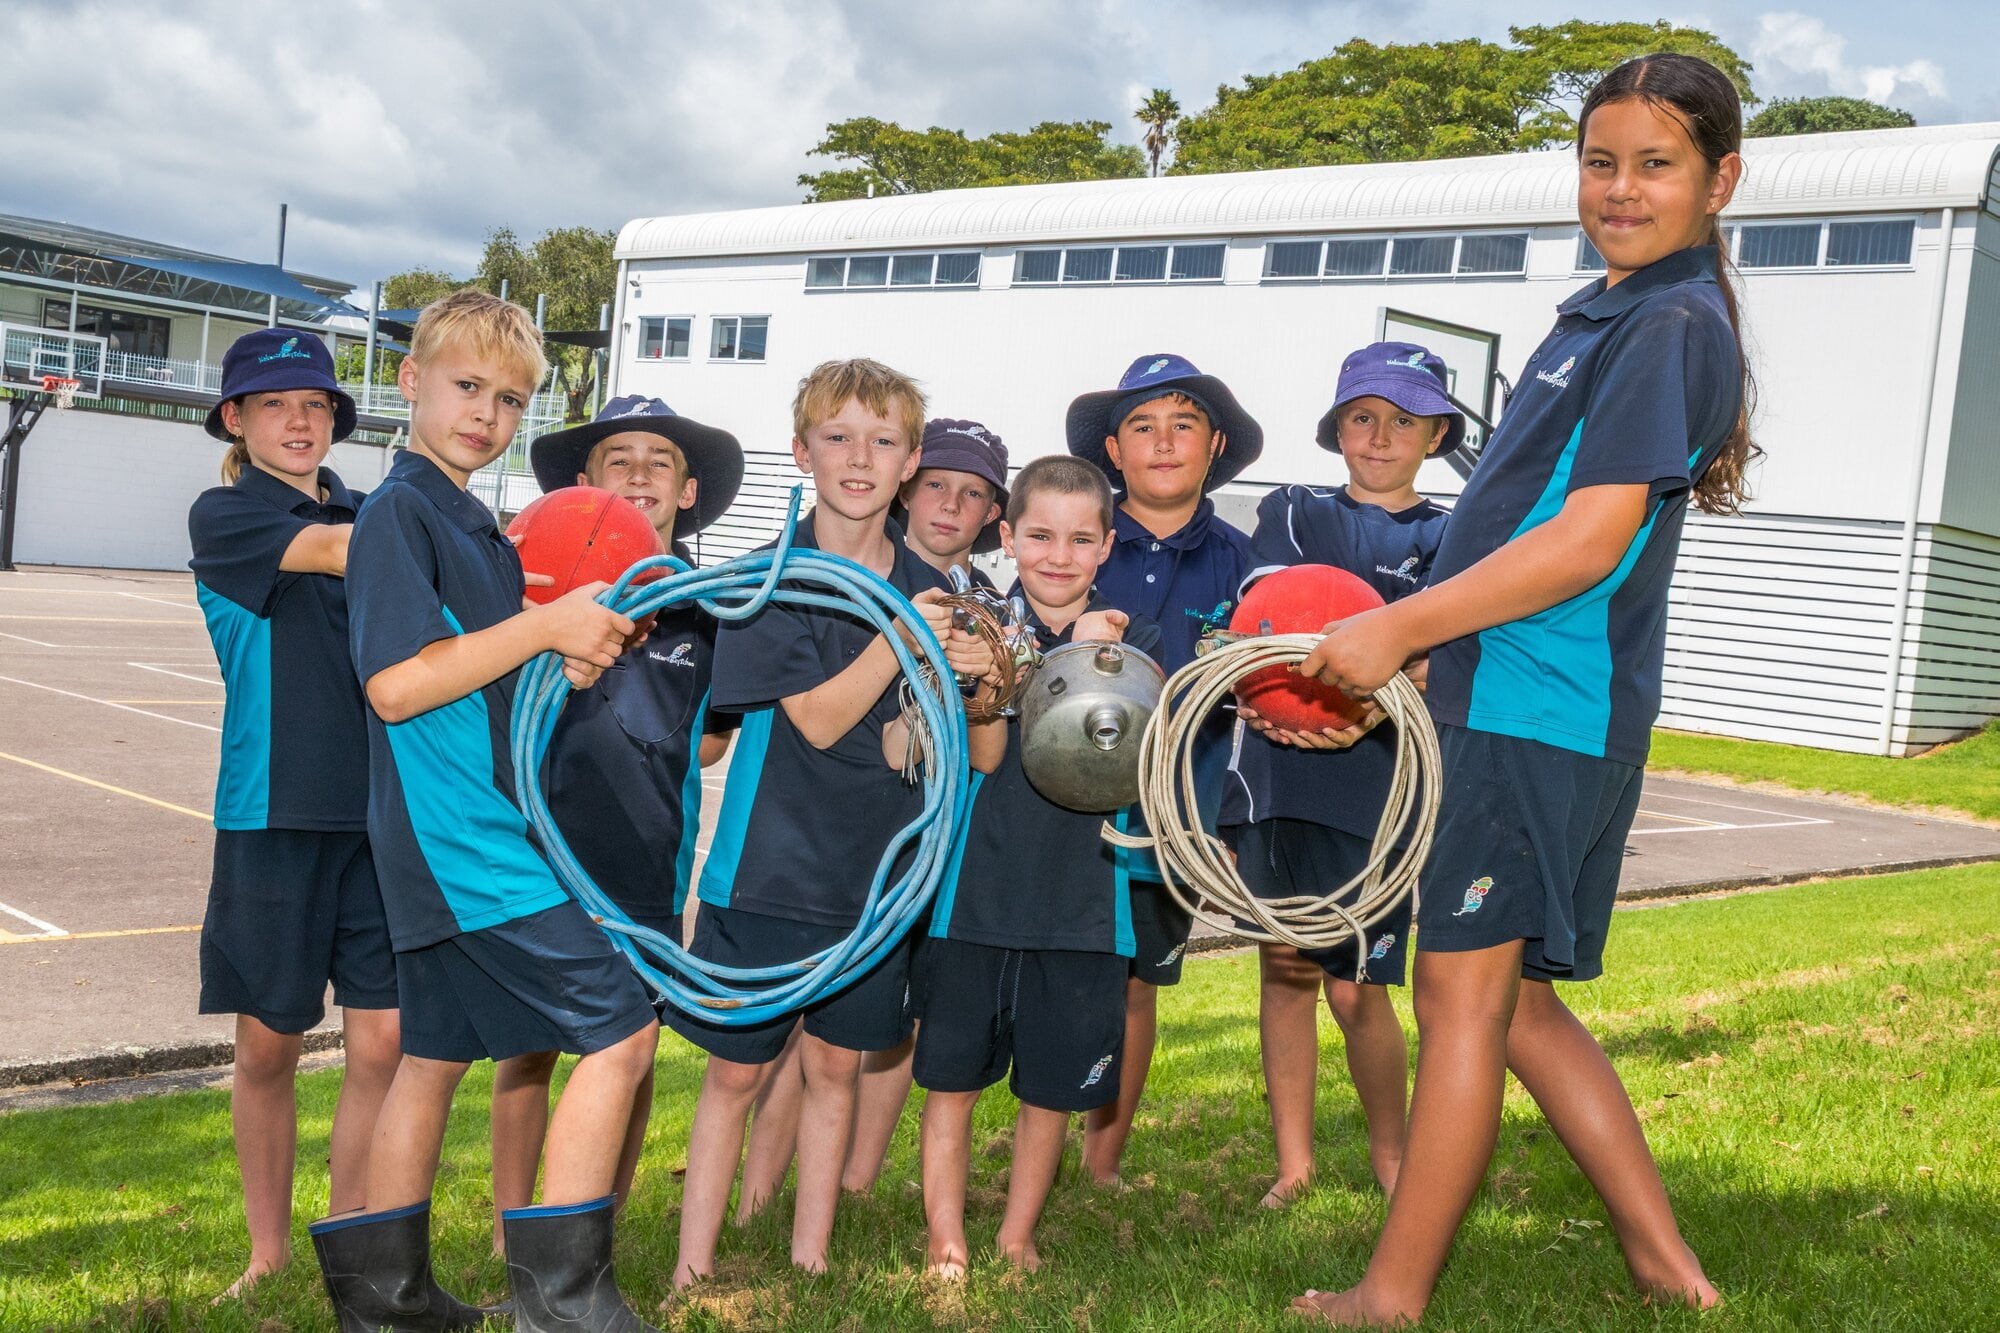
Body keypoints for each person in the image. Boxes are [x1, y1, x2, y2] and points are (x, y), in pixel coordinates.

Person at [1290, 52, 1751, 1324]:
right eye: (1599, 161)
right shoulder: (1604, 312)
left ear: (1719, 179)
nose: (1619, 187)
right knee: (1520, 1004)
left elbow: (1586, 539)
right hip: (1509, 689)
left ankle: (1388, 1296)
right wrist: (1441, 641)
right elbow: (1529, 517)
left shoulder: (1666, 323)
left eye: (1654, 164)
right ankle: (1665, 1270)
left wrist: (1401, 624)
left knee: (1459, 999)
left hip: (1534, 709)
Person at [312, 290, 664, 1333]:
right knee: (621, 1031)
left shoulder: (472, 522)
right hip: (457, 838)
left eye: (509, 399)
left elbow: (484, 668)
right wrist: (544, 621)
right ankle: (561, 1302)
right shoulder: (398, 513)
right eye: (466, 386)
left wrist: (563, 634)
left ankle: (387, 1304)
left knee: (433, 1054)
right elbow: (396, 685)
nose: (485, 411)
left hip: (452, 834)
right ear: (411, 381)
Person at [666, 358, 994, 1287]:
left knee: (837, 1072)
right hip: (770, 867)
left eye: (884, 440)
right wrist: (906, 636)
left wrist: (962, 680)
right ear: (803, 449)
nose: (860, 457)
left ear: (911, 460)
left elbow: (912, 747)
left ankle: (808, 1258)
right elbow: (813, 718)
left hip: (877, 878)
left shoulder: (935, 583)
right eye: (839, 437)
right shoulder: (771, 578)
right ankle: (693, 1266)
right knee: (734, 1074)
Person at [735, 415, 1013, 1211]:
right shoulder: (848, 573)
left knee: (895, 1025)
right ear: (906, 485)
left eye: (973, 495)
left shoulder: (992, 605)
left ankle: (853, 1184)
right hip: (825, 845)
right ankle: (758, 1198)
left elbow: (988, 742)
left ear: (993, 512)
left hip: (933, 845)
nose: (950, 507)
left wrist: (984, 675)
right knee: (798, 1033)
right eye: (936, 487)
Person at [487, 395, 744, 1253]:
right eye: (618, 459)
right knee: (527, 1052)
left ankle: (595, 1225)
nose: (639, 475)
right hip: (538, 856)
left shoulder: (709, 609)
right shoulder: (531, 581)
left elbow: (710, 737)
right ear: (584, 482)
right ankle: (510, 1229)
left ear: (688, 488)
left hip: (645, 864)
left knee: (630, 1053)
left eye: (659, 461)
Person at [1219, 342, 1460, 1208]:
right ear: (1337, 428)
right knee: (1284, 964)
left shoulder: (1452, 534)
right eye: (1363, 416)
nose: (1381, 435)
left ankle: (1393, 1157)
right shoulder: (1292, 508)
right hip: (1280, 774)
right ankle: (1296, 1162)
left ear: (1437, 432)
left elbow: (1445, 654)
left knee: (1358, 986)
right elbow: (1275, 622)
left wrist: (1373, 686)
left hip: (1378, 784)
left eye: (1403, 419)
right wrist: (1383, 650)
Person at [187, 329, 401, 1301]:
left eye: (315, 402)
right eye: (275, 404)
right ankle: (266, 1252)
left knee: (386, 1042)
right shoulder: (226, 514)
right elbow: (335, 551)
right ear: (236, 418)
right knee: (269, 1043)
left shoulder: (375, 510)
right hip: (272, 814)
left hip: (378, 817)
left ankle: (350, 1244)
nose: (299, 418)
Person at [911, 455, 1162, 1276]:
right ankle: (945, 1233)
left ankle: (1017, 1233)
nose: (1059, 554)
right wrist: (1000, 674)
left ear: (1106, 546)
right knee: (951, 1079)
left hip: (1085, 901)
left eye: (1081, 538)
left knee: (1050, 1088)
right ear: (1008, 537)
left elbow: (1150, 765)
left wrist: (1094, 664)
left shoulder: (1133, 651)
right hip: (972, 892)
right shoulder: (972, 630)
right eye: (1042, 535)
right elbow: (982, 758)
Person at [1064, 353, 1260, 1183]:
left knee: (1136, 979)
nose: (1164, 441)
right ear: (1114, 450)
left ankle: (1102, 1160)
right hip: (1061, 798)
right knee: (1046, 964)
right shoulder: (1077, 541)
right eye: (1142, 426)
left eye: (1184, 424)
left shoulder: (1247, 562)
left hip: (1175, 811)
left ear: (1215, 443)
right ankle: (1026, 1129)